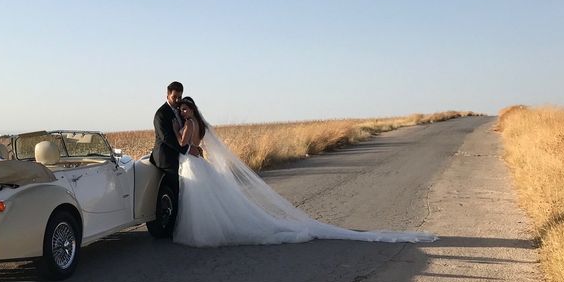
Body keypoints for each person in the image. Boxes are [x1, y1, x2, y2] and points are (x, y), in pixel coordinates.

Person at [171, 96, 436, 247]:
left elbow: (183, 142)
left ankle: (206, 235)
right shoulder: (200, 123)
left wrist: (175, 129)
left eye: (185, 108)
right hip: (198, 161)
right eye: (181, 108)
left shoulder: (189, 123)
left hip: (193, 162)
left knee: (202, 203)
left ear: (192, 110)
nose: (183, 111)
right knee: (211, 202)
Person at [151, 82, 201, 236]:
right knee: (176, 191)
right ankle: (171, 230)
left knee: (181, 191)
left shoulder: (180, 111)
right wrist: (187, 149)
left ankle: (176, 227)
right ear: (167, 95)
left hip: (180, 156)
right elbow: (166, 138)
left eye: (180, 97)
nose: (178, 100)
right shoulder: (161, 114)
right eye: (175, 97)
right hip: (166, 158)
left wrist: (190, 147)